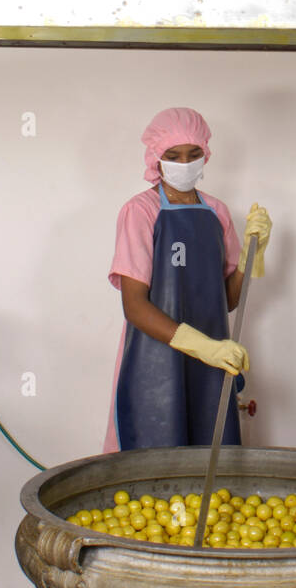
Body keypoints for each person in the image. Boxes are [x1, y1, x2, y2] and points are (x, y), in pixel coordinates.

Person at [103, 105, 272, 453]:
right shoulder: (140, 211)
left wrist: (248, 260)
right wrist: (204, 348)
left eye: (193, 154)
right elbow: (134, 307)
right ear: (156, 158)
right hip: (155, 362)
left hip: (211, 362)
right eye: (173, 155)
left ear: (206, 155)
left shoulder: (217, 212)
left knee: (211, 464)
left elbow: (226, 300)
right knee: (154, 467)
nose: (184, 164)